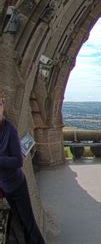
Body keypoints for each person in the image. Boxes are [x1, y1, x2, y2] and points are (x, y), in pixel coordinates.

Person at [0, 90, 45, 243]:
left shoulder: (9, 129)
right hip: (5, 186)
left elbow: (18, 161)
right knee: (19, 221)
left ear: (3, 106)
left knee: (28, 222)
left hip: (17, 185)